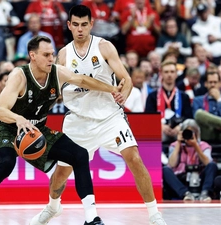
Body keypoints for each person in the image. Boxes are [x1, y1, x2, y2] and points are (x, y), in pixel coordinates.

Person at [0, 35, 124, 225]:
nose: (51, 59)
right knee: (6, 164)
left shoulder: (57, 72)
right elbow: (0, 111)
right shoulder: (19, 75)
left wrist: (112, 88)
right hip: (9, 127)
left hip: (36, 129)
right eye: (46, 55)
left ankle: (92, 218)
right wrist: (18, 119)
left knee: (80, 155)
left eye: (53, 54)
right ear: (33, 55)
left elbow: (82, 80)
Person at [31, 5, 167, 225]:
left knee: (134, 158)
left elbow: (127, 79)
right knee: (61, 174)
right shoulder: (64, 54)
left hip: (109, 118)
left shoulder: (104, 47)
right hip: (78, 121)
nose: (80, 29)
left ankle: (154, 214)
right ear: (69, 26)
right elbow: (54, 90)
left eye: (84, 24)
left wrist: (123, 94)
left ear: (91, 24)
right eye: (75, 25)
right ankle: (52, 207)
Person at [162, 119, 217, 201]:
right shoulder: (174, 145)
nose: (189, 135)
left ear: (197, 134)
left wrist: (195, 145)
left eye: (192, 132)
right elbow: (172, 164)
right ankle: (185, 194)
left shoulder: (204, 145)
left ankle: (205, 193)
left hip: (199, 177)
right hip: (181, 179)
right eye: (187, 132)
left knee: (212, 165)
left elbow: (207, 162)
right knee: (165, 170)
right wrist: (178, 143)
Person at [145, 61, 193, 143]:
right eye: (166, 72)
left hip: (179, 132)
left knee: (192, 124)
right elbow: (148, 118)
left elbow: (188, 117)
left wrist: (179, 127)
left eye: (172, 72)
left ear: (176, 74)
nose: (169, 75)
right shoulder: (152, 96)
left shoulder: (184, 96)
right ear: (161, 74)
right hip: (160, 131)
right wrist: (161, 126)